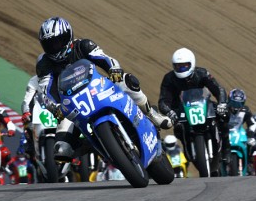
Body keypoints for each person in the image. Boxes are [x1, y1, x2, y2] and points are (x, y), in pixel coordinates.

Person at [35, 16, 171, 162]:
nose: (55, 47)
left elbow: (105, 58)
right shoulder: (44, 64)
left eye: (58, 41)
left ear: (68, 36)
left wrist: (114, 69)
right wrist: (55, 107)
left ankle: (150, 113)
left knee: (127, 80)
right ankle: (93, 146)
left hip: (98, 87)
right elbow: (45, 90)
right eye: (50, 45)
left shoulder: (83, 45)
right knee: (62, 149)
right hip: (72, 102)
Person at [158, 47, 231, 163]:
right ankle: (186, 145)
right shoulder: (169, 78)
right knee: (177, 127)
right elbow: (163, 100)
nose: (181, 69)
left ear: (192, 64)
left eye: (184, 66)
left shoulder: (202, 73)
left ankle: (226, 148)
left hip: (203, 103)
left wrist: (222, 103)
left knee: (224, 115)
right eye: (177, 66)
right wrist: (169, 111)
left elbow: (218, 89)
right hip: (181, 108)